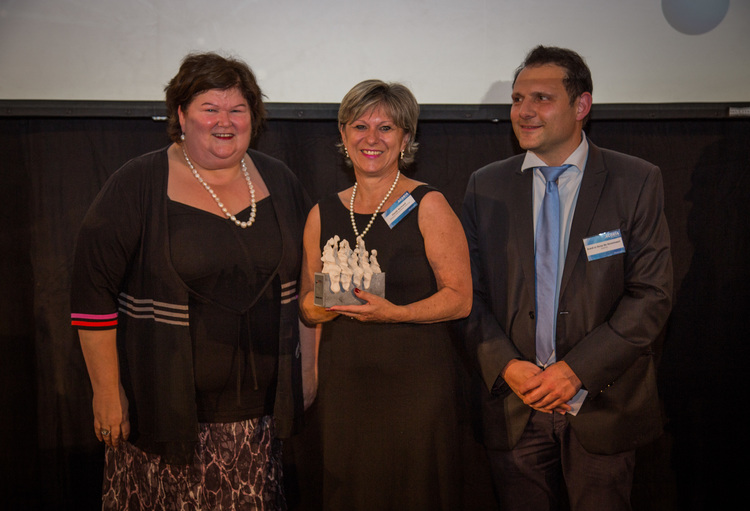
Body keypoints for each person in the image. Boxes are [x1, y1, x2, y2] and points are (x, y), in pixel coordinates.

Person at [70, 52, 315, 510]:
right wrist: (106, 391)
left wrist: (309, 370)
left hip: (256, 424)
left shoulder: (280, 181)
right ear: (181, 115)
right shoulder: (138, 183)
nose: (225, 121)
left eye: (237, 109)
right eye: (210, 108)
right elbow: (91, 294)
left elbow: (310, 283)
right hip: (160, 419)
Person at [459, 46, 673, 511]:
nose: (524, 111)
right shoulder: (485, 186)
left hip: (603, 404)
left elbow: (651, 296)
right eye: (517, 99)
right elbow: (467, 295)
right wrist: (508, 367)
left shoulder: (635, 181)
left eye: (542, 98)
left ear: (581, 106)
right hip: (516, 406)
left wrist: (575, 371)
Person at [299, 79, 472, 510]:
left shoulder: (428, 204)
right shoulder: (322, 212)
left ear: (405, 138)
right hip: (346, 389)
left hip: (416, 390)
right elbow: (306, 306)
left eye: (386, 128)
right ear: (343, 134)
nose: (371, 138)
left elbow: (460, 298)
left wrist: (396, 313)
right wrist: (327, 305)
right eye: (360, 126)